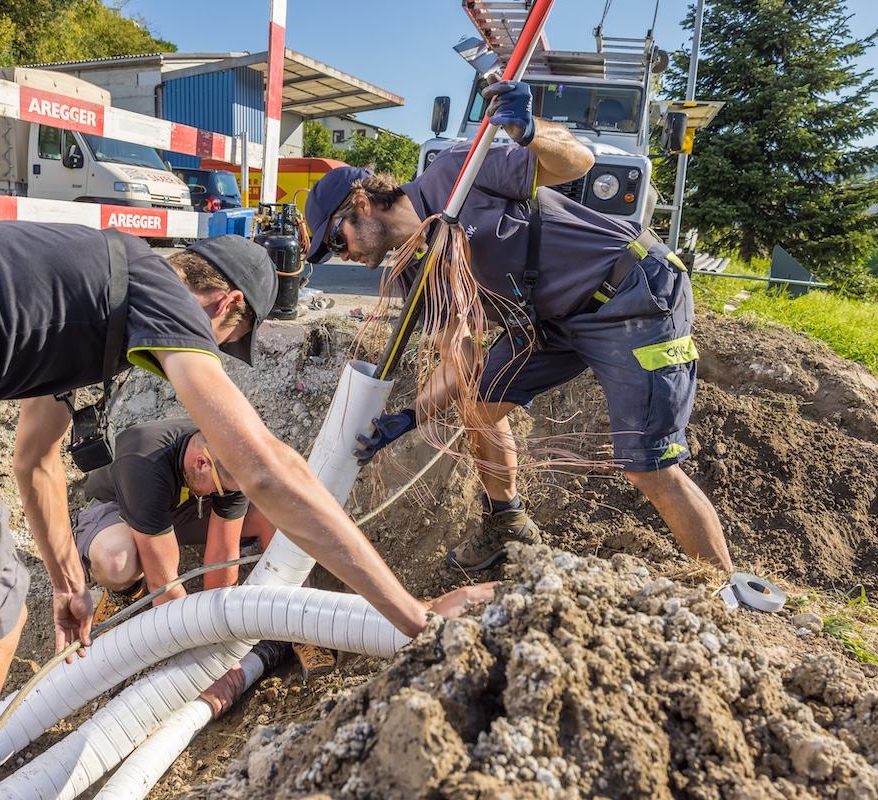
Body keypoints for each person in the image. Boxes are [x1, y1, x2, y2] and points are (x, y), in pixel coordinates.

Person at [0, 221, 484, 800]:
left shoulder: (82, 282)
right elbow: (265, 466)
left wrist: (67, 580)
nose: (212, 350)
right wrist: (412, 617)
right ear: (224, 307)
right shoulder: (159, 298)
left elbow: (34, 457)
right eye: (224, 340)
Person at [303, 80, 734, 576]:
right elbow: (460, 360)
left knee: (648, 465)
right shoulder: (413, 271)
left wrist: (529, 131)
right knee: (481, 405)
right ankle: (507, 525)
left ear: (362, 204)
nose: (346, 256)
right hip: (552, 320)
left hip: (628, 293)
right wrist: (409, 416)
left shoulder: (454, 178)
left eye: (338, 239)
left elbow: (576, 162)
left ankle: (725, 594)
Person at [74, 417, 335, 676]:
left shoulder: (228, 460)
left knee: (274, 514)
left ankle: (301, 622)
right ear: (201, 462)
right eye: (222, 489)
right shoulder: (143, 462)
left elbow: (223, 556)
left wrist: (223, 631)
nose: (226, 496)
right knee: (117, 560)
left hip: (182, 506)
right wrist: (206, 660)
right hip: (120, 509)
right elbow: (164, 585)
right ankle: (125, 591)